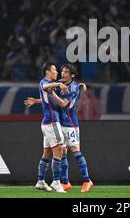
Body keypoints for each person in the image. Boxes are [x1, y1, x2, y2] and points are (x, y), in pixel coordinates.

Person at [25, 63, 93, 193]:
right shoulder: (59, 83)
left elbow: (62, 103)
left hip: (70, 124)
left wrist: (77, 86)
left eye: (66, 72)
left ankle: (86, 180)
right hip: (58, 123)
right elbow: (48, 94)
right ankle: (64, 182)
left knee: (75, 152)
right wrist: (38, 100)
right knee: (62, 153)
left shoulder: (73, 87)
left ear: (72, 75)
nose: (62, 74)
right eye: (61, 71)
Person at [33, 62, 69, 193]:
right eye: (54, 70)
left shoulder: (50, 88)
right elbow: (45, 86)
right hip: (52, 122)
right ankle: (56, 181)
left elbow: (58, 102)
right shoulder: (44, 82)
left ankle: (41, 181)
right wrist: (59, 84)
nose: (57, 72)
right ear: (48, 71)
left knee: (47, 153)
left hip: (47, 123)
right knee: (59, 149)